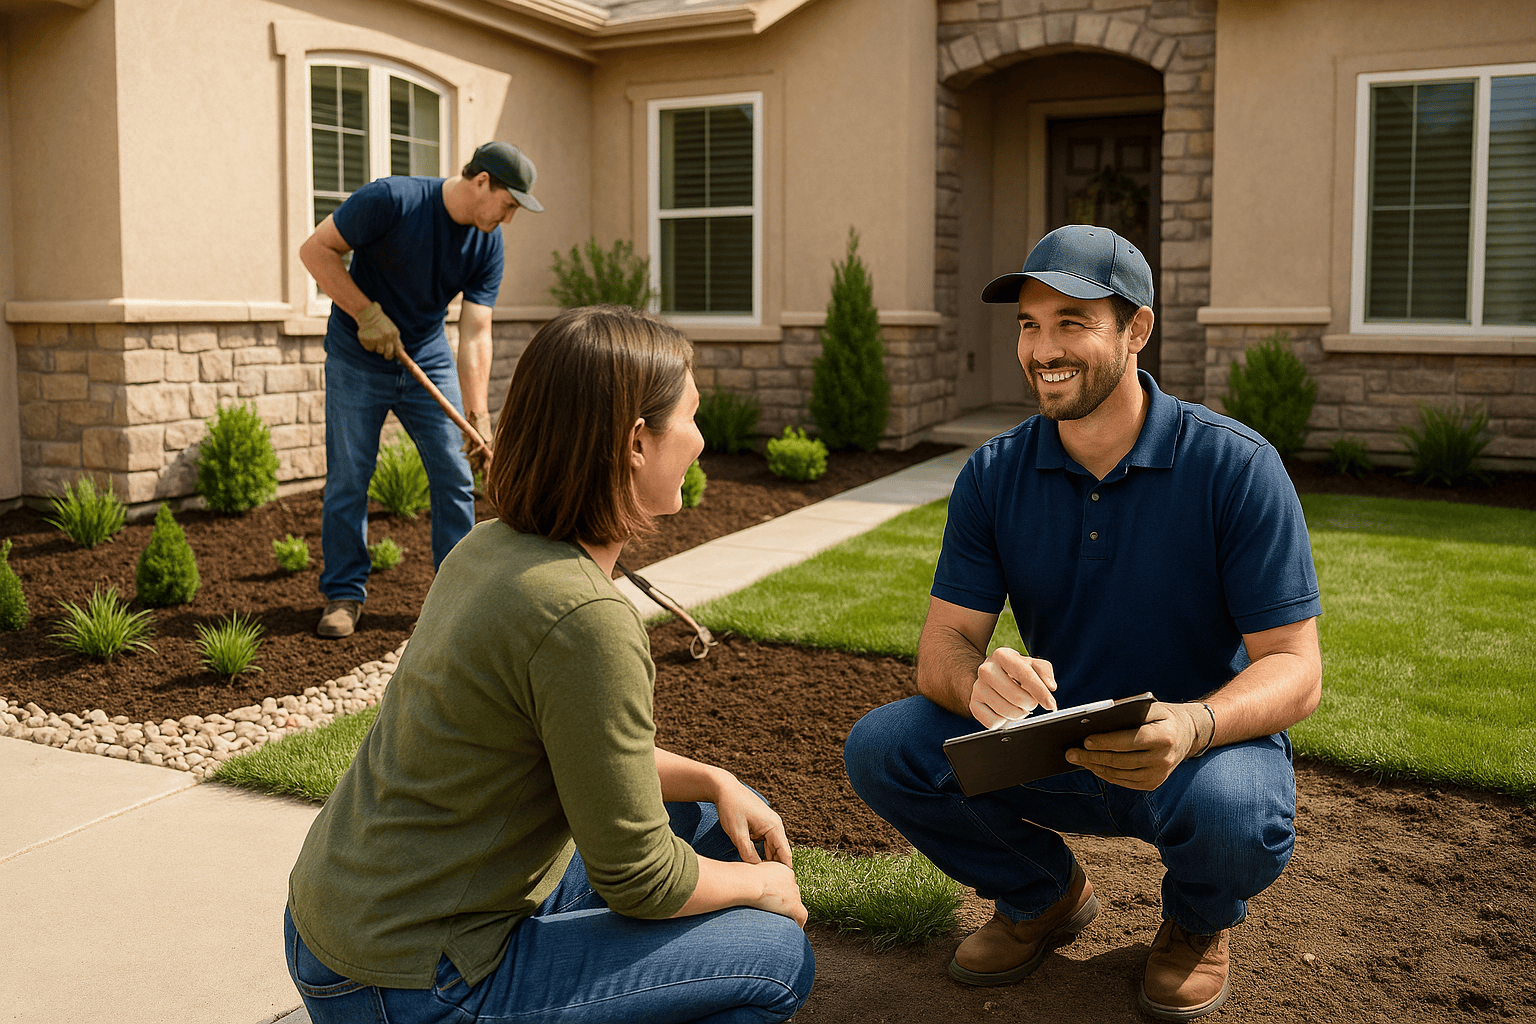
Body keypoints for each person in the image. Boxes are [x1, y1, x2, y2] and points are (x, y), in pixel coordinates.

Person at [284, 305, 816, 1024]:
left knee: (706, 818)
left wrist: (713, 777)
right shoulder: (584, 618)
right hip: (409, 984)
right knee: (776, 958)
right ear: (636, 442)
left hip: (337, 929)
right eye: (690, 416)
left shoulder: (488, 547)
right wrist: (763, 892)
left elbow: (579, 750)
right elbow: (641, 880)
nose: (701, 438)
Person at [844, 225, 1322, 1020]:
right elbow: (942, 648)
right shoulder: (994, 473)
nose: (1042, 349)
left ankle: (1197, 925)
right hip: (1053, 742)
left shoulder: (1235, 467)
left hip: (1193, 759)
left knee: (1240, 815)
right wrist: (979, 680)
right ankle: (1043, 896)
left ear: (1137, 329)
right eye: (1030, 324)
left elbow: (1296, 668)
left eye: (1072, 322)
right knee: (885, 748)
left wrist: (1194, 725)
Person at [300, 140, 540, 639]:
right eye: (509, 204)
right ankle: (344, 593)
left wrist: (478, 416)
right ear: (481, 182)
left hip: (424, 353)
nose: (509, 219)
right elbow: (315, 250)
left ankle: (455, 595)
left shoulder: (487, 243)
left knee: (454, 474)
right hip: (356, 356)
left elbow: (475, 333)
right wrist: (365, 312)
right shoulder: (391, 200)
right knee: (349, 478)